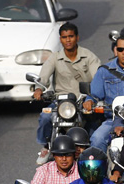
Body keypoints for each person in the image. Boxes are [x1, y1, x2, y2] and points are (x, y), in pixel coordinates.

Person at [32, 22, 102, 164]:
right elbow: (44, 76)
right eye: (64, 37)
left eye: (71, 36)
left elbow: (98, 78)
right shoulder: (55, 57)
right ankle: (46, 145)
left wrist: (91, 97)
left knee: (96, 122)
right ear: (60, 39)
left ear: (77, 37)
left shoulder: (88, 57)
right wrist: (39, 88)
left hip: (83, 99)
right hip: (61, 101)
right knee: (45, 117)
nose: (68, 40)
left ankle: (95, 150)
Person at [85, 36, 124, 150]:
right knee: (96, 140)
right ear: (115, 50)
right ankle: (102, 168)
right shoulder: (104, 71)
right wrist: (89, 101)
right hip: (112, 120)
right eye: (120, 49)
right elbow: (93, 95)